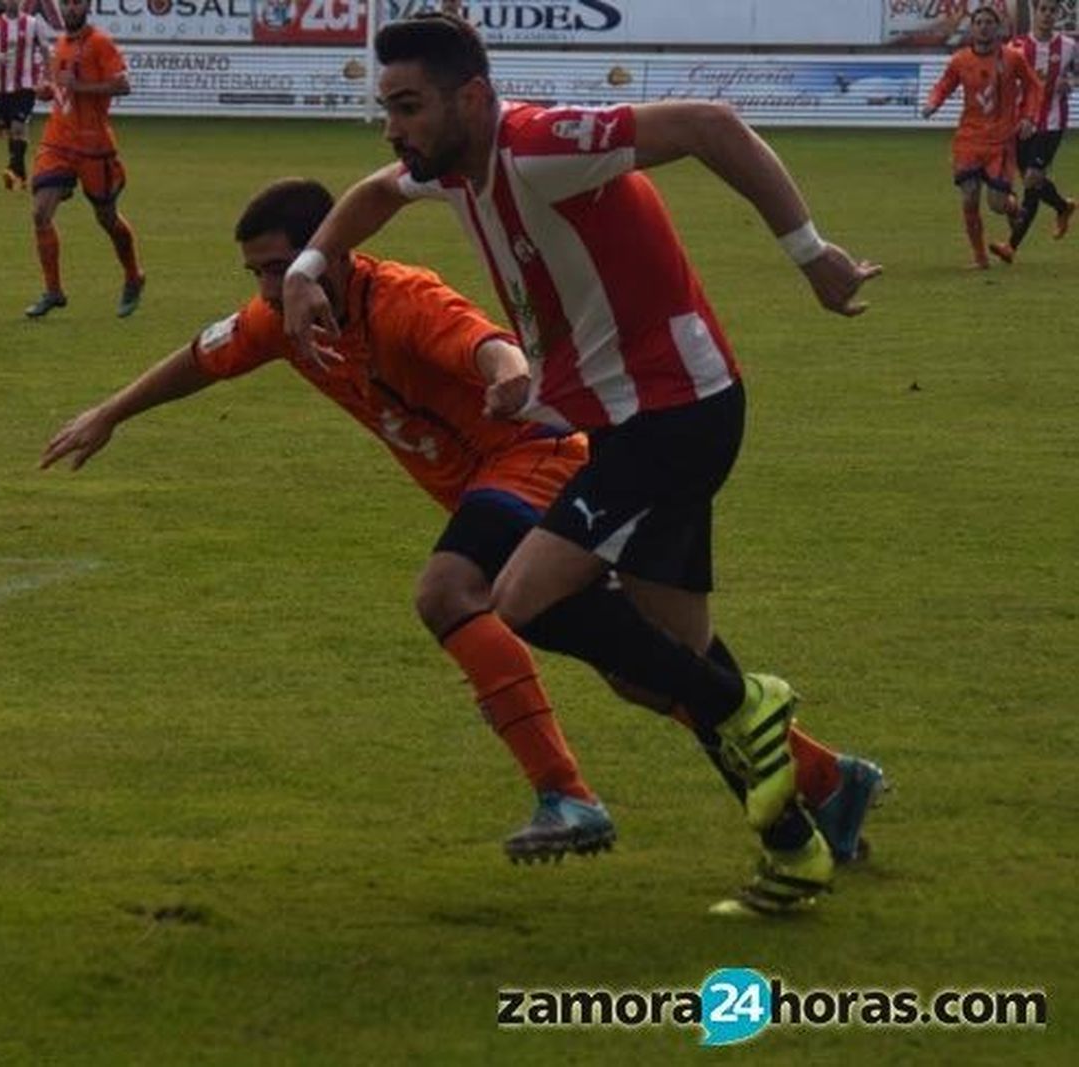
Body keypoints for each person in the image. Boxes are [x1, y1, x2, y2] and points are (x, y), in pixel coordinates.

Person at [45, 178, 886, 913]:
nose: (269, 288)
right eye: (258, 274)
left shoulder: (402, 299)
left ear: (325, 255)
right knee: (649, 663)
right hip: (499, 482)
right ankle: (824, 780)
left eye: (280, 267)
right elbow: (202, 356)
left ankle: (567, 795)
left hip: (539, 461)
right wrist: (110, 413)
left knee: (448, 591)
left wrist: (507, 374)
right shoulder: (282, 319)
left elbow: (488, 343)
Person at [282, 13, 883, 914]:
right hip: (633, 421)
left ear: (472, 98)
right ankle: (809, 826)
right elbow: (371, 193)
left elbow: (711, 125)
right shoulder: (450, 169)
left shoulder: (537, 146)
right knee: (660, 661)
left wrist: (811, 254)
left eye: (407, 107)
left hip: (673, 415)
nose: (392, 129)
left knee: (523, 597)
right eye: (387, 109)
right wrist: (307, 262)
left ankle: (748, 706)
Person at [25, 0, 145, 320]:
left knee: (107, 219)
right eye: (65, 3)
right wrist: (49, 91)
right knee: (40, 213)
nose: (70, 9)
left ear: (87, 6)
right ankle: (53, 291)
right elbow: (63, 90)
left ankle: (134, 276)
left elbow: (124, 85)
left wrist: (81, 87)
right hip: (58, 141)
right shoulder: (61, 44)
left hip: (94, 146)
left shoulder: (101, 43)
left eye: (76, 3)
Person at [921, 5, 1043, 268]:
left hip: (1001, 142)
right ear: (972, 27)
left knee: (997, 204)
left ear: (998, 28)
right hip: (969, 139)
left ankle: (1012, 207)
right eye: (979, 22)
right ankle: (979, 258)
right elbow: (944, 85)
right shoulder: (960, 60)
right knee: (969, 196)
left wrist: (1029, 118)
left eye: (990, 22)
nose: (984, 26)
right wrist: (933, 102)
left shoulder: (1013, 58)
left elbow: (1034, 87)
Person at [1001, 0, 1079, 256]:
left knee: (1033, 179)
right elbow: (1005, 81)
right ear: (1034, 12)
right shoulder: (1017, 46)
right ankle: (1062, 206)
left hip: (1053, 122)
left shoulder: (1068, 46)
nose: (1047, 15)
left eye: (1052, 10)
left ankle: (1010, 246)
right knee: (1033, 181)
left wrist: (1070, 81)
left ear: (1057, 14)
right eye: (1042, 9)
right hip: (1023, 124)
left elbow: (1077, 74)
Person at [0, 0, 54, 191]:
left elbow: (46, 49)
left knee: (17, 126)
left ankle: (11, 170)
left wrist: (48, 77)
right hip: (1, 87)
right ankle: (20, 175)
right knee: (10, 131)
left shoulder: (33, 23)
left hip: (26, 86)